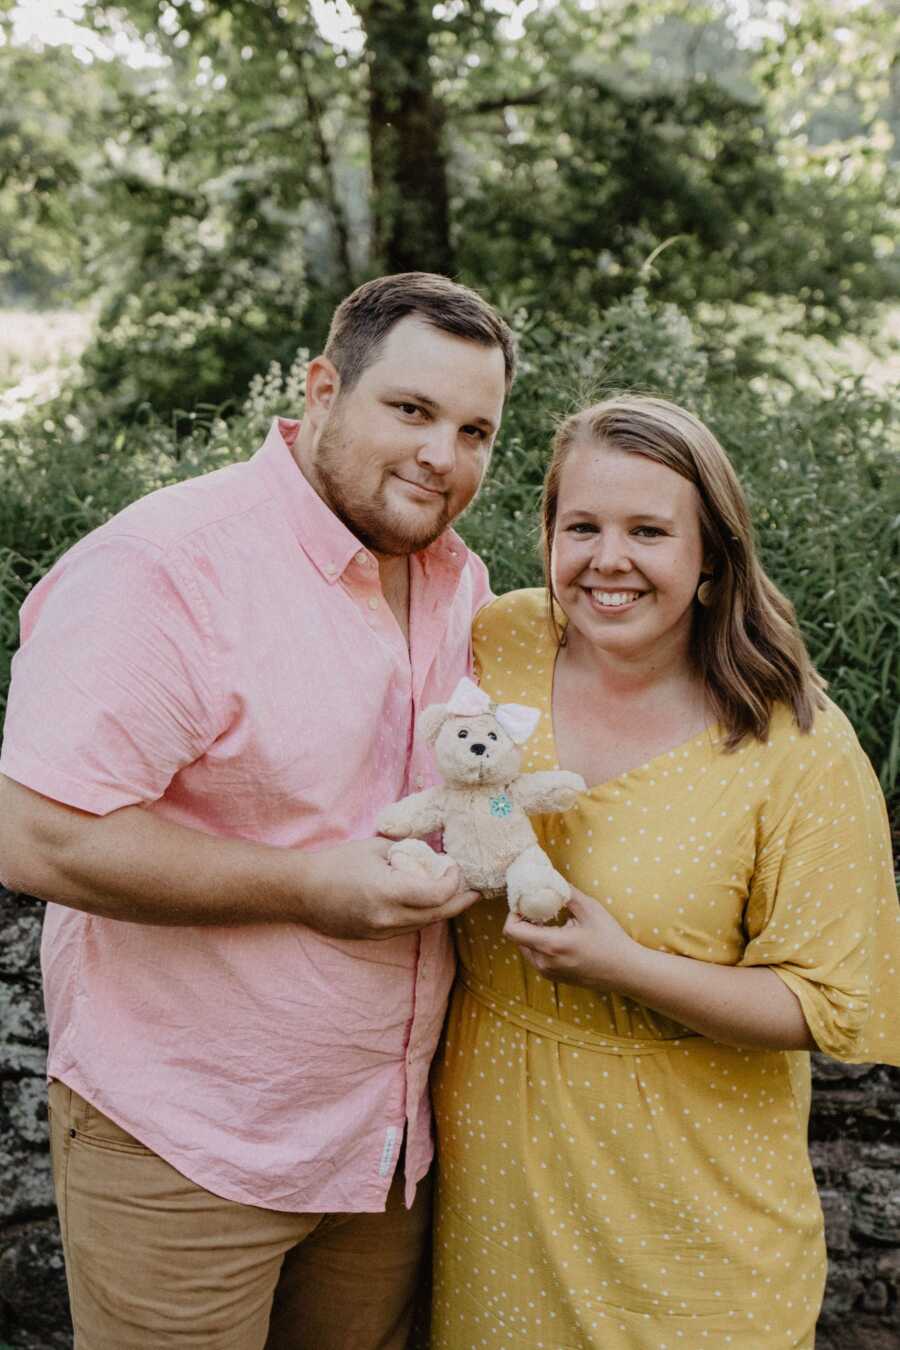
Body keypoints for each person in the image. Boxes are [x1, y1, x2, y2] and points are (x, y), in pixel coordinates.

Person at [0, 271, 516, 1350]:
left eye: (475, 430)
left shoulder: (461, 579)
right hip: (190, 1144)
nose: (442, 455)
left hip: (385, 1152)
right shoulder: (165, 570)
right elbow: (34, 834)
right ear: (323, 389)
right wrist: (307, 886)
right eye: (412, 411)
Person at [429, 394, 900, 1349]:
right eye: (583, 527)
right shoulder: (498, 645)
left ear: (711, 556)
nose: (609, 560)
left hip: (691, 1214)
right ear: (547, 534)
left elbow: (827, 1006)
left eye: (649, 530)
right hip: (495, 1188)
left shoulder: (793, 742)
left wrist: (623, 966)